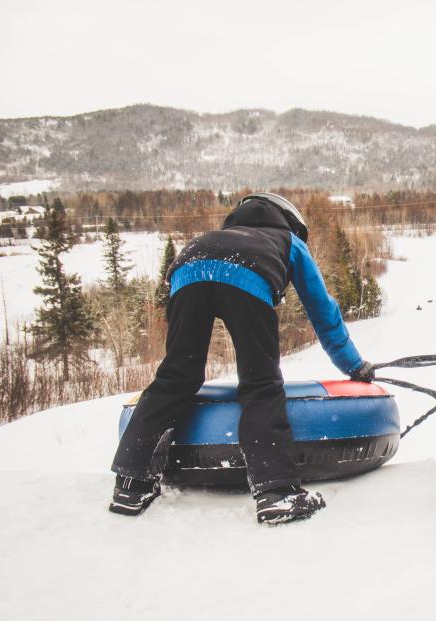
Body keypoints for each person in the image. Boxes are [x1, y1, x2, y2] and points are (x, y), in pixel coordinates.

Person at [109, 193, 375, 524]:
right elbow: (323, 312)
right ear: (289, 221)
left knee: (176, 377)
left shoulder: (211, 237)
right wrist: (354, 365)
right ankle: (277, 493)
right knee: (260, 382)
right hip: (246, 278)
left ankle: (131, 484)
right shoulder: (290, 241)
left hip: (188, 271)